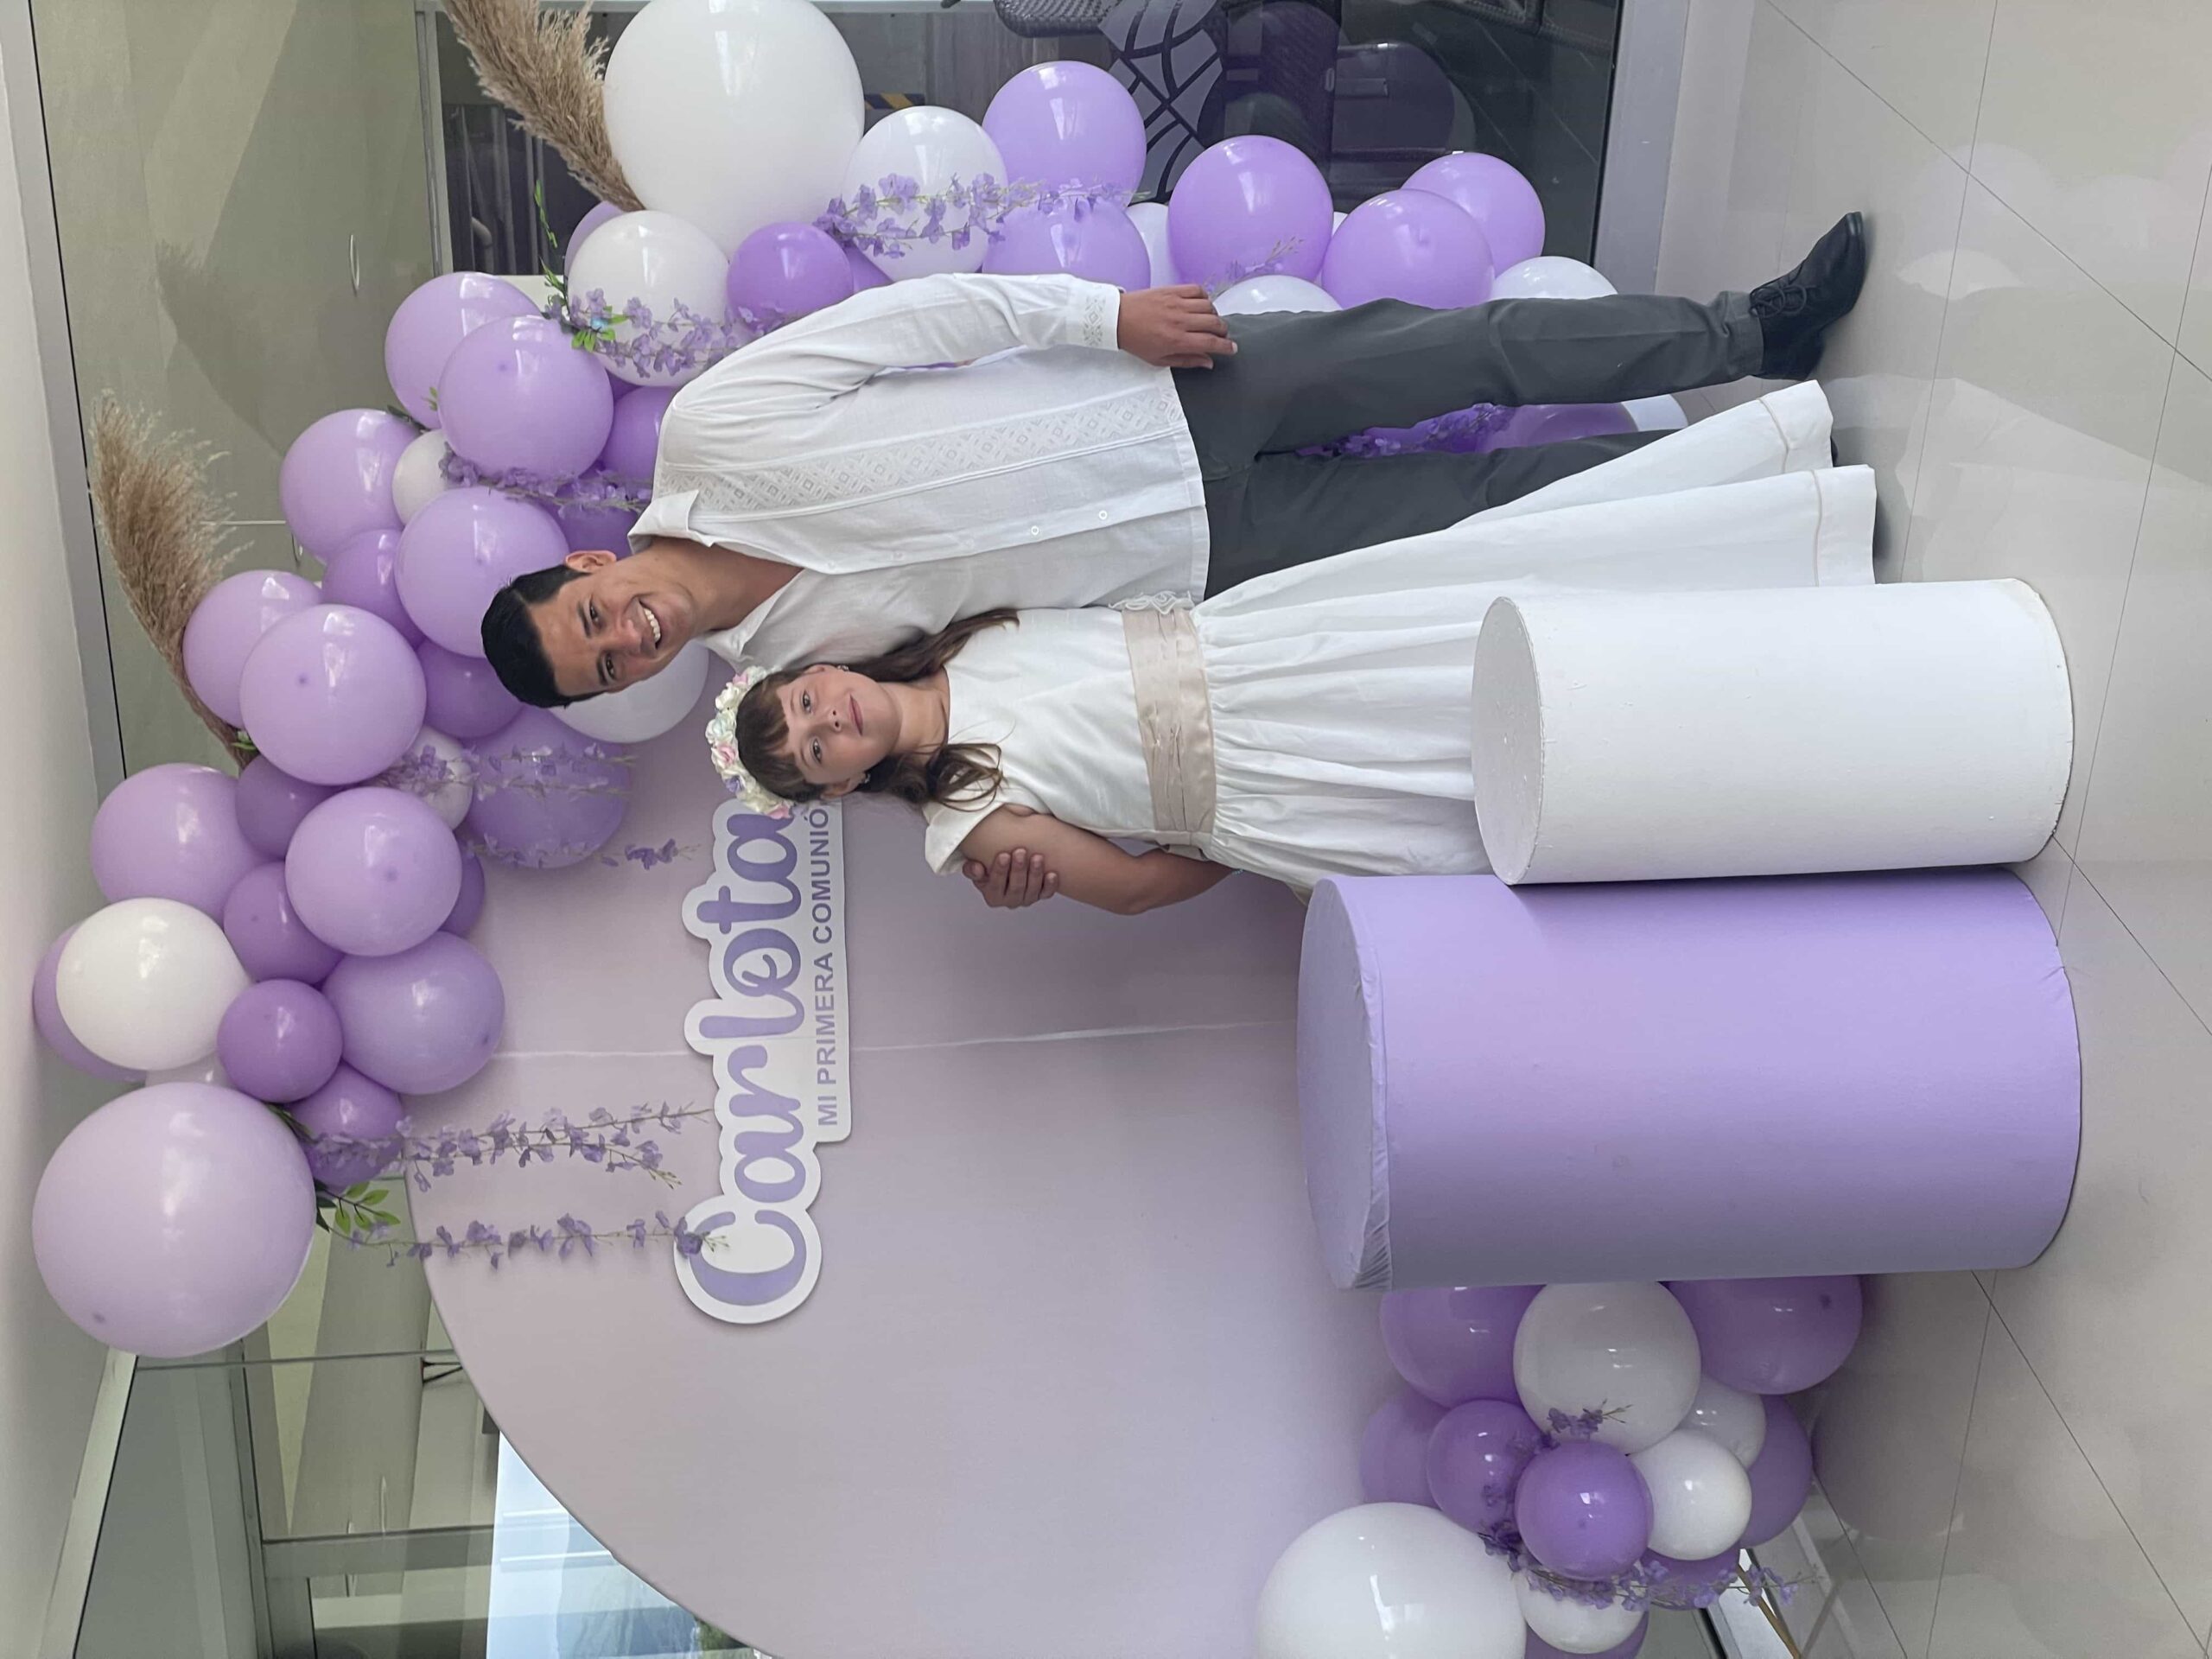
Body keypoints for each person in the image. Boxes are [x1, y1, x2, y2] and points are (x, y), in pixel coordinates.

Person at [479, 213, 1869, 716]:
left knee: (1469, 348)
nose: (627, 638)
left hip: (1165, 400)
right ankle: (1764, 485)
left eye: (592, 617)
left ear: (589, 563)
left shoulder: (710, 435)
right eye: (609, 668)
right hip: (1195, 559)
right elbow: (995, 668)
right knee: (1484, 508)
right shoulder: (788, 679)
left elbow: (915, 322)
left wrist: (1105, 316)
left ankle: (1755, 330)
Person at [707, 384, 1873, 914]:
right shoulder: (967, 822)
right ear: (842, 787)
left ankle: (1764, 583)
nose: (823, 726)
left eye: (805, 705)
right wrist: (1239, 821)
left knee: (1489, 615)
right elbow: (1133, 888)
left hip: (1268, 647)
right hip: (1277, 777)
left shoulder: (959, 627)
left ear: (825, 669)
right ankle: (1780, 762)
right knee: (1487, 783)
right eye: (813, 755)